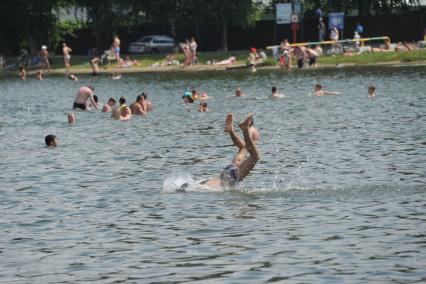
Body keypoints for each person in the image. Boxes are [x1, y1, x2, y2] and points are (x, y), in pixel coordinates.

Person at [200, 113, 260, 188]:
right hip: (235, 172)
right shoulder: (253, 130)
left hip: (231, 168)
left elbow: (242, 145)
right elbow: (246, 145)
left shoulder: (252, 132)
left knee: (244, 148)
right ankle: (242, 129)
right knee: (255, 156)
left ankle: (230, 130)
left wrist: (232, 133)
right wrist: (246, 130)